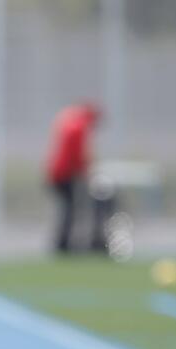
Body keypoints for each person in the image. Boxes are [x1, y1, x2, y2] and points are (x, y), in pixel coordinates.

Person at [46, 101, 102, 253]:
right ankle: (63, 244)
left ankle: (64, 243)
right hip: (64, 175)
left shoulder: (71, 123)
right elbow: (78, 155)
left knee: (68, 209)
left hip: (58, 173)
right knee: (70, 209)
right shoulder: (79, 127)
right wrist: (86, 171)